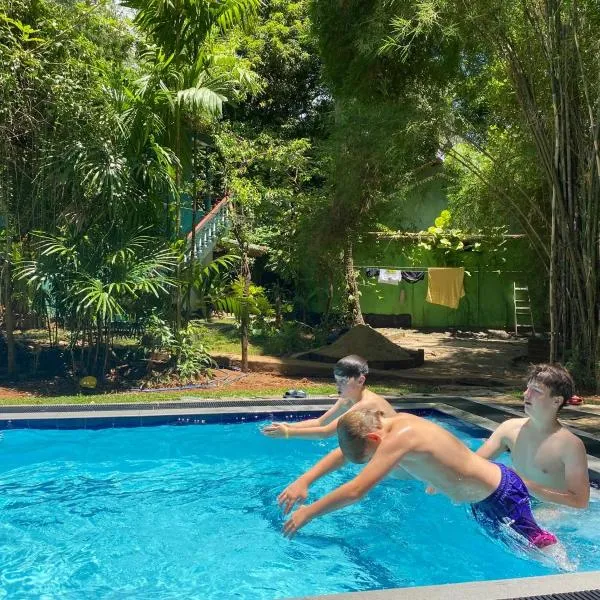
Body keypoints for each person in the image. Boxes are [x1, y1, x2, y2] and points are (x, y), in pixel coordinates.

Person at [282, 408, 558, 552]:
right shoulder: (388, 424)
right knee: (519, 547)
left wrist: (309, 512)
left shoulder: (401, 437)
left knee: (544, 551)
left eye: (373, 456)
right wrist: (306, 480)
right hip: (484, 498)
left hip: (501, 495)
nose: (378, 461)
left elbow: (356, 490)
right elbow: (345, 453)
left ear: (375, 438)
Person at [476, 363, 589, 509]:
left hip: (552, 510)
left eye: (536, 391)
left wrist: (522, 484)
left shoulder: (570, 445)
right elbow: (474, 463)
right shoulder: (509, 429)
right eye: (527, 388)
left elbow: (580, 501)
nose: (526, 394)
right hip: (518, 501)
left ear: (557, 401)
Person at [261, 354, 397, 440]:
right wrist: (288, 425)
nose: (338, 386)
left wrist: (287, 433)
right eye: (337, 381)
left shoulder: (366, 404)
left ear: (360, 381)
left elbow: (325, 433)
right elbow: (320, 422)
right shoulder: (346, 399)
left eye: (343, 381)